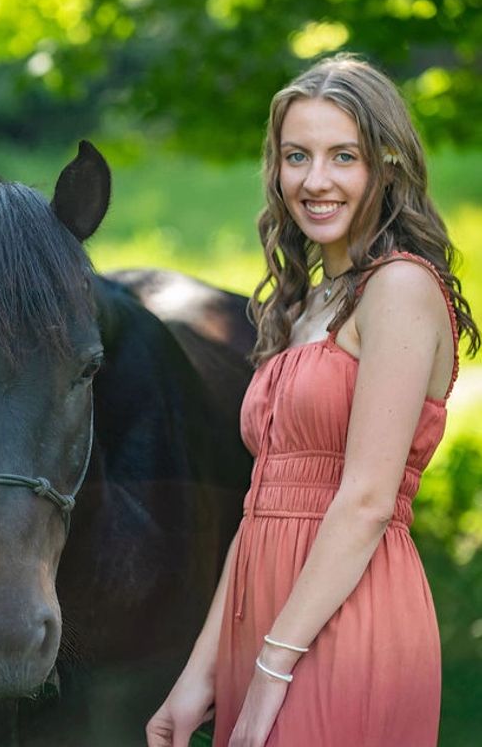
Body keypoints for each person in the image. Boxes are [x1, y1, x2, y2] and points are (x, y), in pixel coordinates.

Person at [145, 54, 480, 747]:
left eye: (342, 156)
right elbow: (259, 505)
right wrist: (199, 674)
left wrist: (274, 666)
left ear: (385, 168)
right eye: (296, 156)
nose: (314, 180)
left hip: (344, 622)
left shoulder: (400, 289)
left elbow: (364, 500)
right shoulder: (303, 304)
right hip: (265, 623)